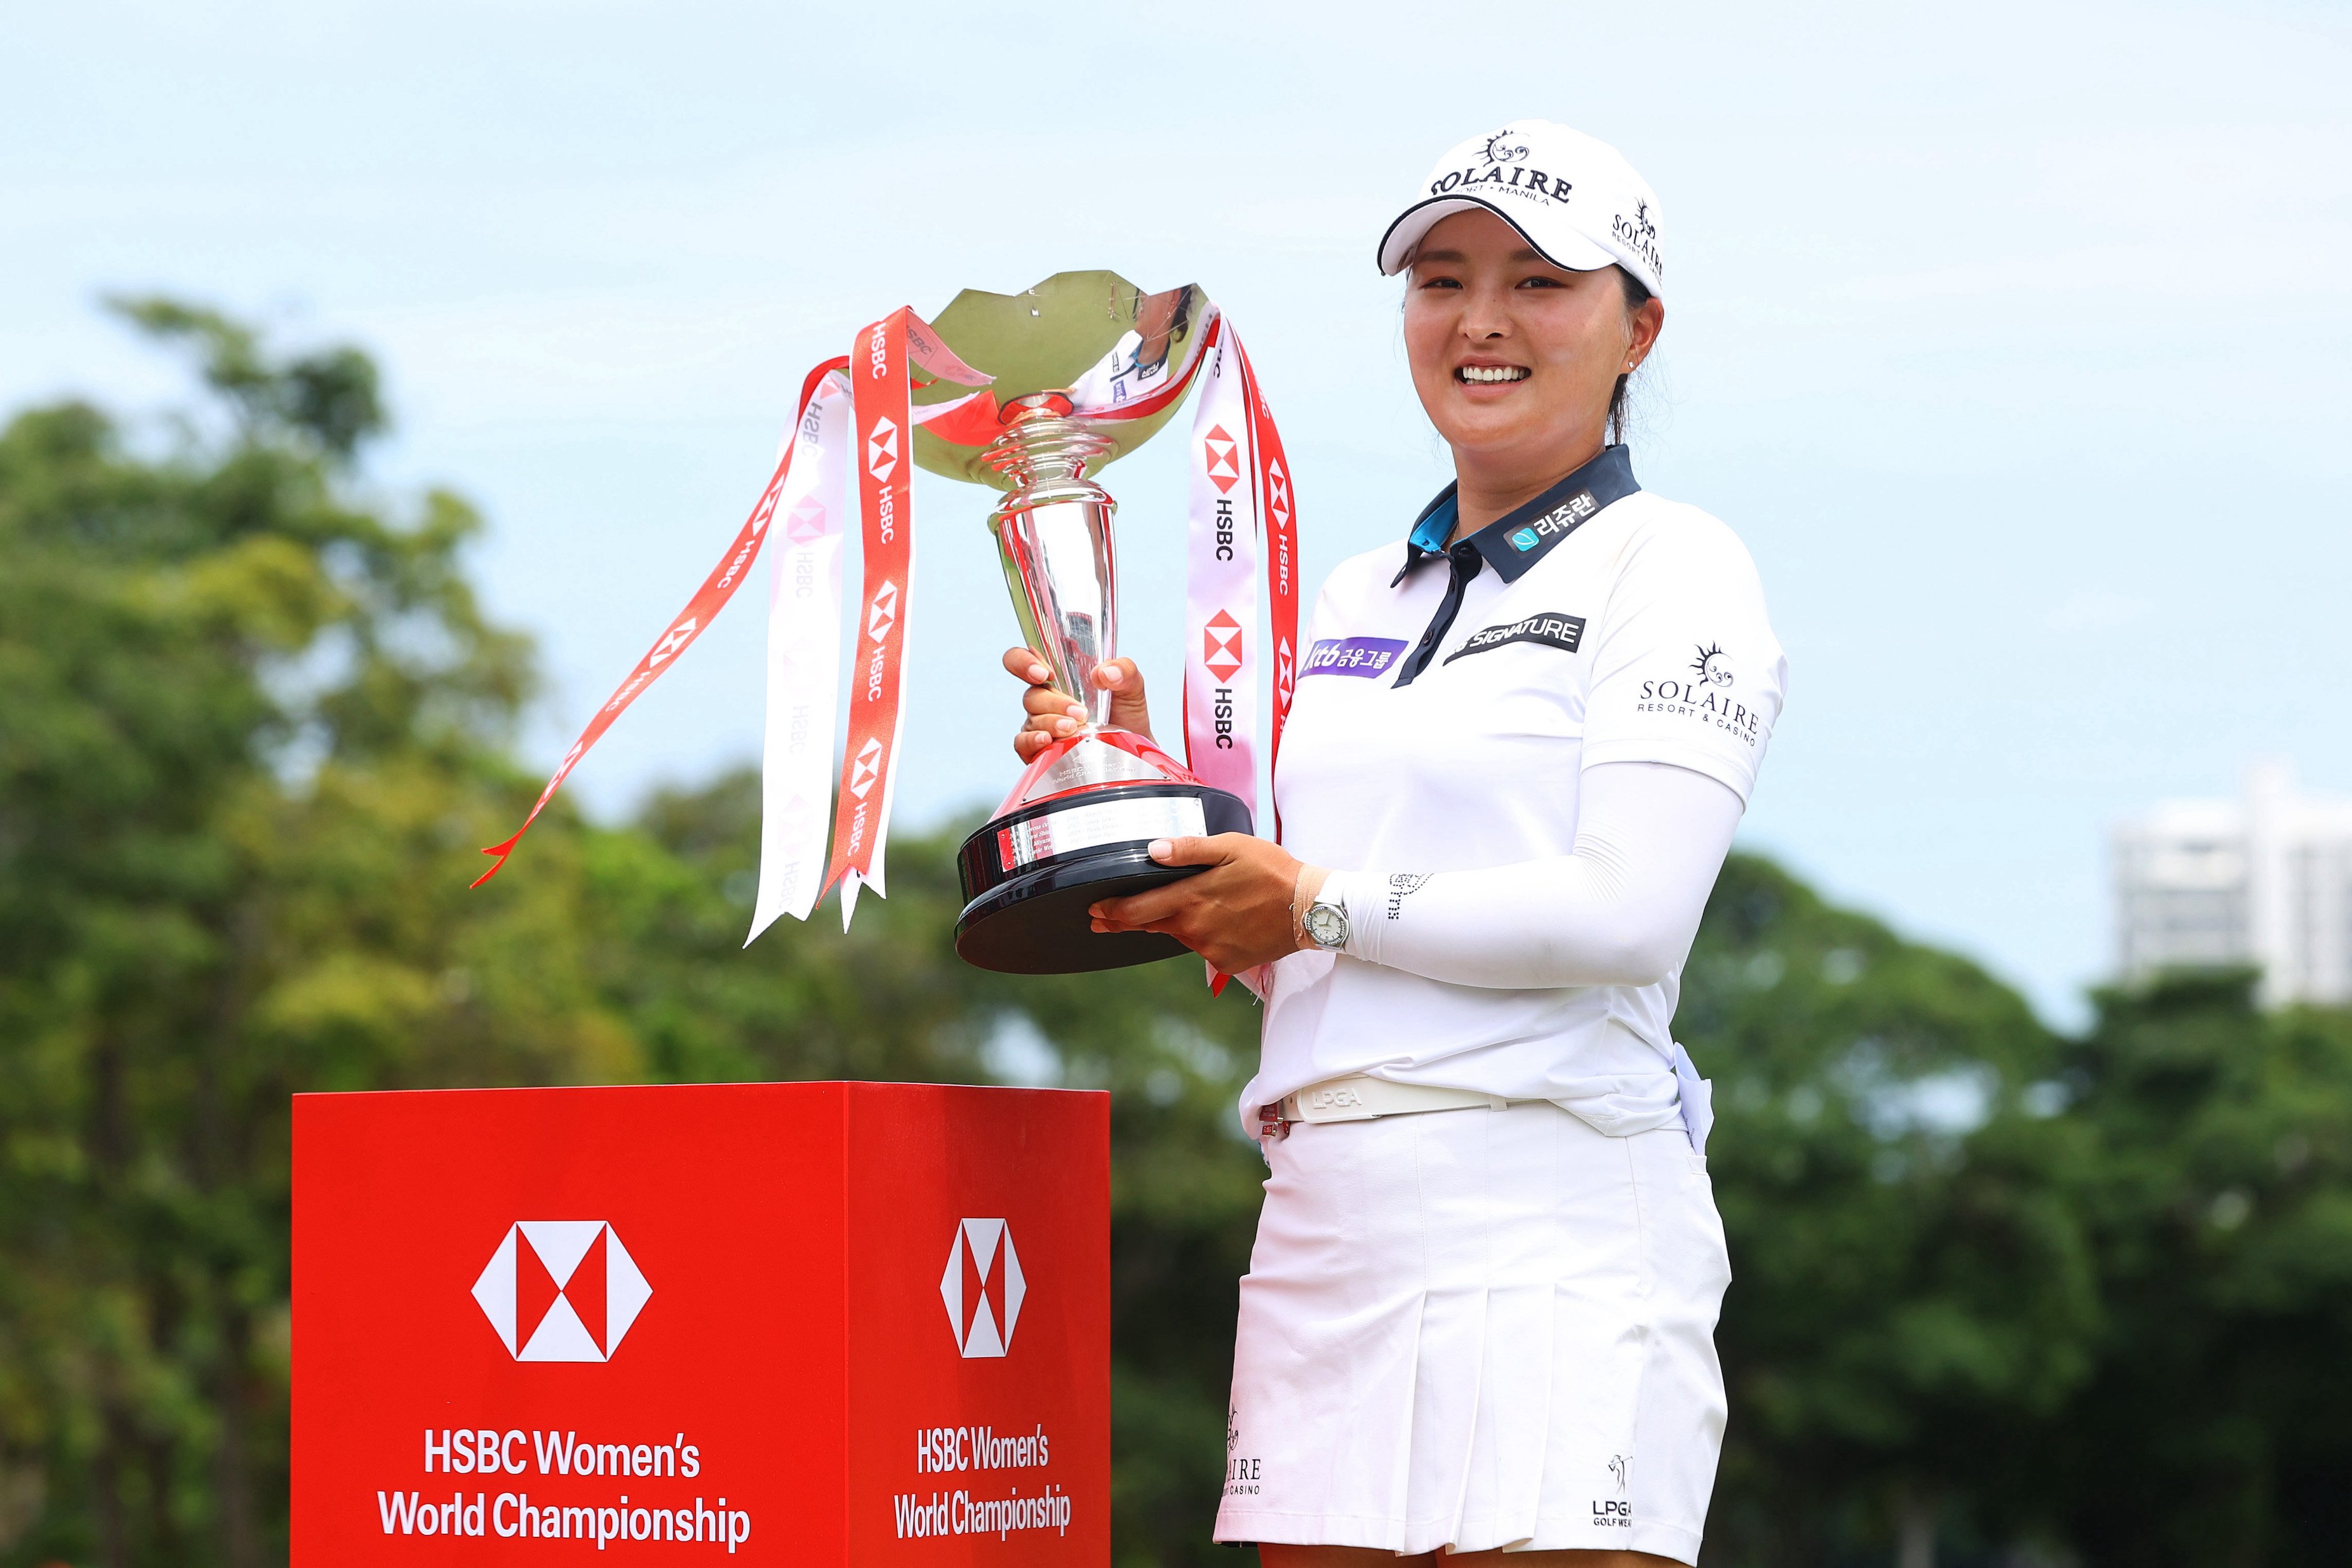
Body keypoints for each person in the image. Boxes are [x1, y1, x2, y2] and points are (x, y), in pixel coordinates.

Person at [1001, 120, 1785, 1567]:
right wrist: (1131, 789)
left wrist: (1310, 902)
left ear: (1637, 326)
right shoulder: (1351, 592)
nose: (1480, 320)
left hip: (1550, 1208)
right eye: (1440, 277)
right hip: (1325, 1214)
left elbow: (1625, 917)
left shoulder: (1673, 562)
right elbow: (1286, 929)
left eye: (1538, 281)